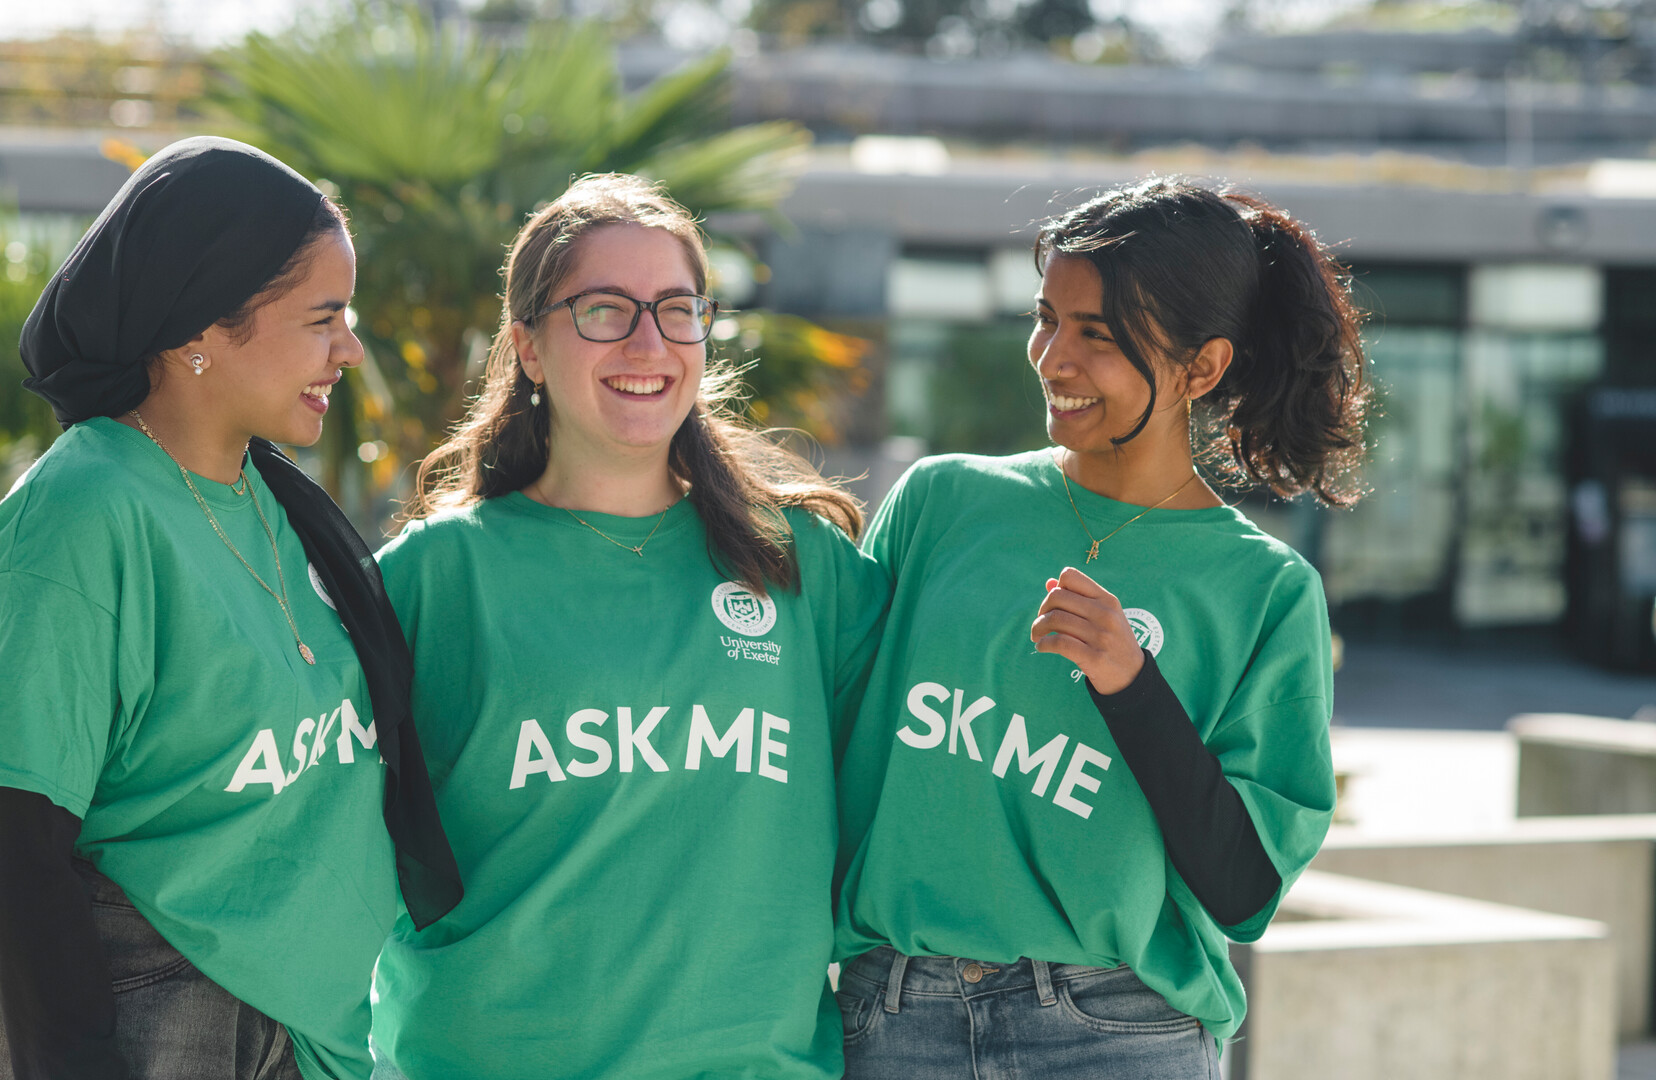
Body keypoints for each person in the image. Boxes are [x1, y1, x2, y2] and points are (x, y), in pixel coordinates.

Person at [0, 136, 458, 1080]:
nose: (350, 349)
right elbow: (19, 857)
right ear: (201, 332)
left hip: (310, 1026)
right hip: (144, 1012)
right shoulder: (79, 520)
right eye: (323, 318)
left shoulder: (277, 502)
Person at [832, 177, 1368, 1078]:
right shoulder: (941, 503)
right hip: (895, 1014)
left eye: (1099, 336)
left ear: (1202, 368)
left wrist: (1133, 684)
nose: (1052, 358)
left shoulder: (1264, 590)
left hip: (1112, 1030)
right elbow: (823, 725)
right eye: (1047, 318)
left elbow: (1241, 891)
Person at [366, 173, 891, 1080]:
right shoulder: (434, 575)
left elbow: (917, 786)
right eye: (605, 310)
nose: (649, 341)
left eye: (676, 308)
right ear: (528, 348)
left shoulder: (800, 563)